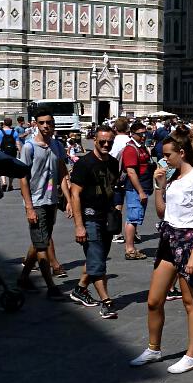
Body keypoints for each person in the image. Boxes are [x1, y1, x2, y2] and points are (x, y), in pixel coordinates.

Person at [129, 137, 193, 374]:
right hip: (168, 241)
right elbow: (162, 212)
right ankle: (153, 349)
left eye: (167, 155)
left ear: (182, 153)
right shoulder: (174, 179)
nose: (164, 159)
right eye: (163, 155)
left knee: (191, 302)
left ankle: (191, 355)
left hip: (188, 244)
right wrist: (159, 186)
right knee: (154, 300)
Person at [68, 122, 121, 317]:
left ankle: (80, 289)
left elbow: (112, 186)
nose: (106, 145)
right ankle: (106, 301)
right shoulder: (84, 163)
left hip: (106, 216)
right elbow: (75, 194)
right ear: (94, 141)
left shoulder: (113, 163)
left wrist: (115, 207)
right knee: (98, 260)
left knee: (96, 257)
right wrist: (79, 226)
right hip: (89, 218)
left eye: (110, 142)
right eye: (102, 142)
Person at [17, 109, 70, 299]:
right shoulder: (29, 147)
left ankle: (23, 279)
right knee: (42, 245)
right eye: (42, 123)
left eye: (49, 122)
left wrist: (69, 200)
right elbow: (22, 178)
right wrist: (29, 207)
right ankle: (51, 287)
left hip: (51, 200)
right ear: (36, 124)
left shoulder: (57, 145)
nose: (46, 126)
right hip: (36, 201)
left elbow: (62, 172)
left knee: (41, 239)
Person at [120, 121, 154, 259]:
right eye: (140, 134)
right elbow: (131, 173)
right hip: (135, 188)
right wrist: (140, 191)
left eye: (145, 133)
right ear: (132, 134)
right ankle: (130, 249)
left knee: (136, 217)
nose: (144, 136)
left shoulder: (141, 147)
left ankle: (131, 247)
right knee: (133, 218)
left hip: (143, 186)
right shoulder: (130, 149)